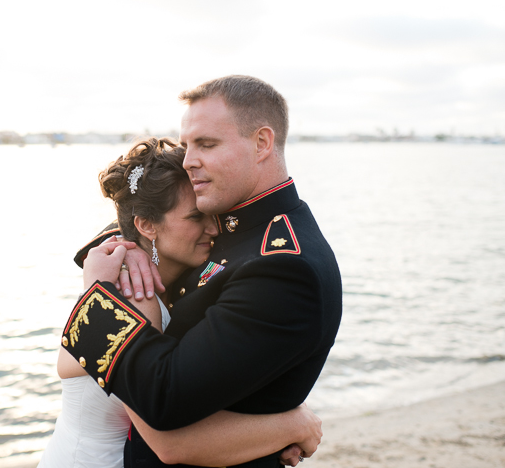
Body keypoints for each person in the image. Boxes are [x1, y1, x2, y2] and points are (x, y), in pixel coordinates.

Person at [62, 76, 343, 467]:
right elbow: (155, 215)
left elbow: (164, 399)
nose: (188, 159)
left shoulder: (282, 268)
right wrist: (128, 249)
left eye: (206, 144)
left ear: (262, 143)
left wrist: (97, 290)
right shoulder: (230, 216)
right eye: (188, 144)